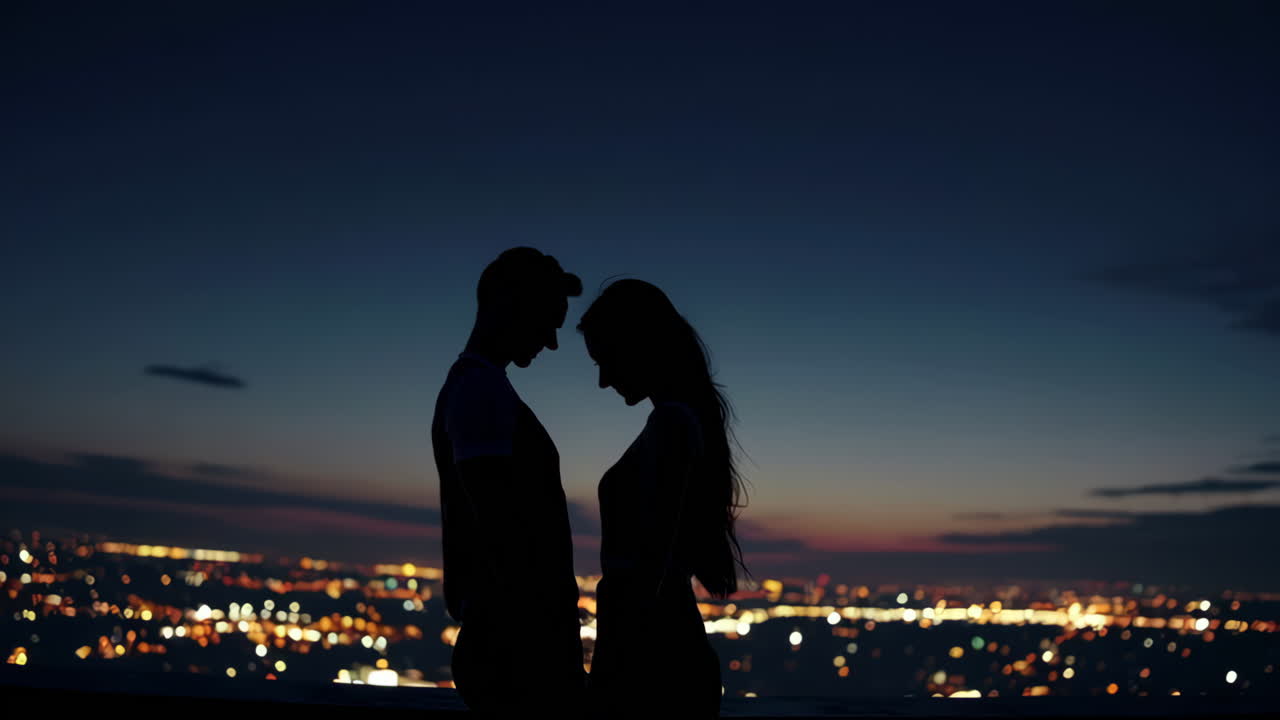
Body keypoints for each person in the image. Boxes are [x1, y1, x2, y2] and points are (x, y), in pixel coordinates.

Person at [577, 278, 751, 718]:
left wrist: (612, 672)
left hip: (653, 662)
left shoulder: (671, 426)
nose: (603, 381)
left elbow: (647, 568)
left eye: (606, 360)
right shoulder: (680, 422)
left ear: (639, 348)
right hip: (665, 650)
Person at [431, 247, 587, 715]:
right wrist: (546, 641)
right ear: (510, 306)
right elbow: (501, 529)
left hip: (511, 642)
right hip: (517, 652)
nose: (552, 343)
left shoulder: (477, 386)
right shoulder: (481, 391)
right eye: (548, 323)